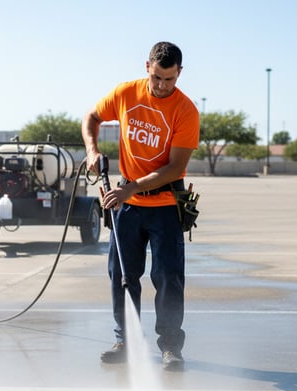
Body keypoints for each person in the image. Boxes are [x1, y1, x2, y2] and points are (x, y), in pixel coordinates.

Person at [82, 41, 200, 371]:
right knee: (122, 276)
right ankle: (126, 340)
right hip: (127, 207)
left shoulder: (186, 110)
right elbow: (91, 117)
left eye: (170, 80)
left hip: (165, 205)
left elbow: (175, 168)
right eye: (157, 78)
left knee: (168, 277)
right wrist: (92, 151)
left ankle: (170, 347)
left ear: (179, 73)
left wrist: (132, 187)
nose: (162, 86)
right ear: (147, 66)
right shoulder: (125, 93)